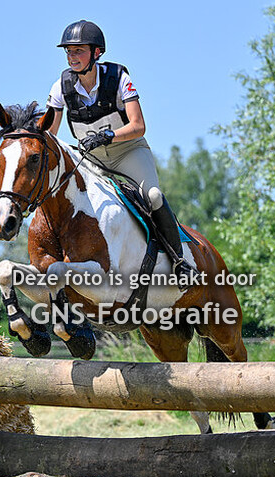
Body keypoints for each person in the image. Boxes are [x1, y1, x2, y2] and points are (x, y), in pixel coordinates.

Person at [46, 20, 201, 290]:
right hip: (92, 161)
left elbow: (138, 125)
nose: (72, 57)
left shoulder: (119, 78)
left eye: (79, 51)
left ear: (97, 52)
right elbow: (50, 136)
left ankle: (179, 262)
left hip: (128, 152)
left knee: (152, 196)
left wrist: (108, 136)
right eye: (69, 52)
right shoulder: (60, 87)